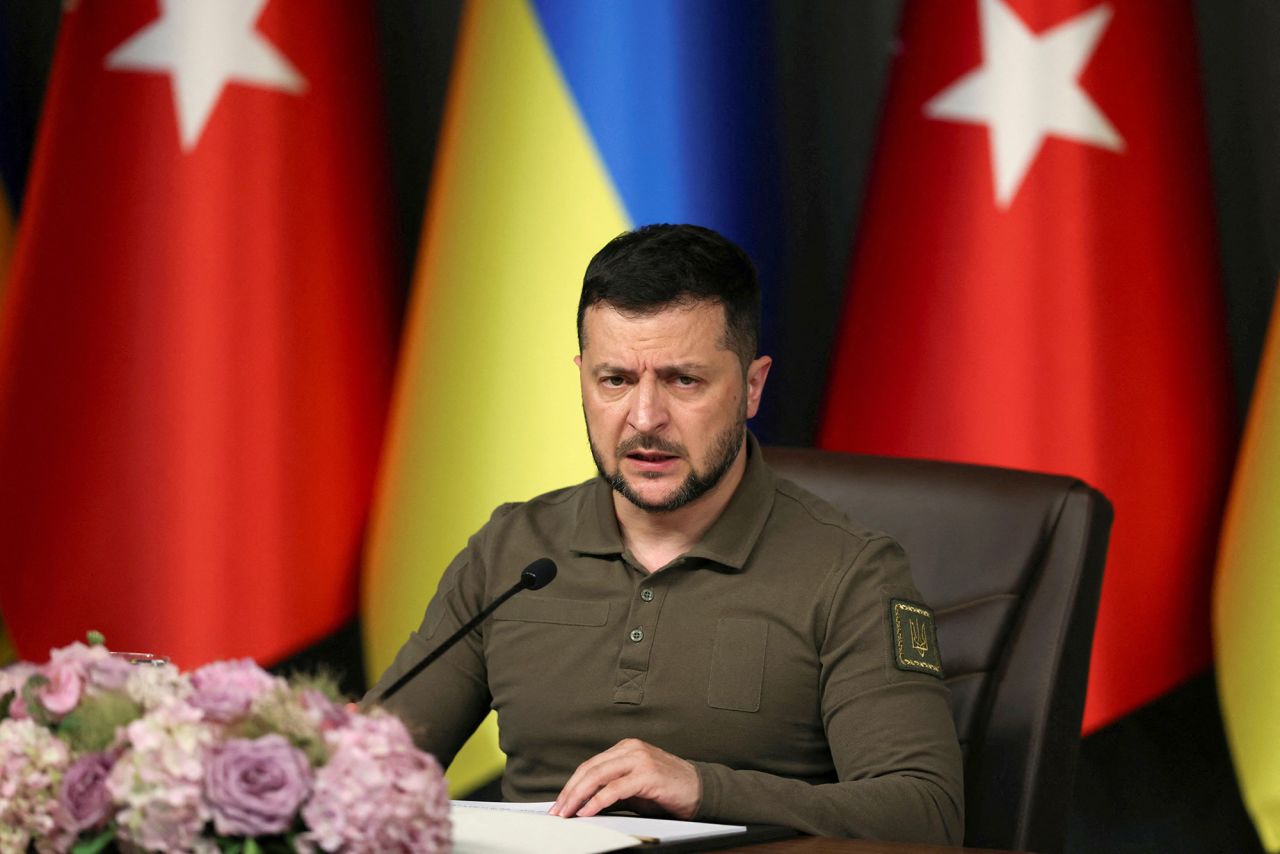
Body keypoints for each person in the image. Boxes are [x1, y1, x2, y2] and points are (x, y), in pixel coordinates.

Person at [365, 224, 964, 843]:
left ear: (752, 387)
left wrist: (703, 788)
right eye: (615, 380)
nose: (645, 419)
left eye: (684, 381)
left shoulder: (853, 571)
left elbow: (926, 814)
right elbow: (366, 766)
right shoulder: (514, 550)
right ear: (582, 378)